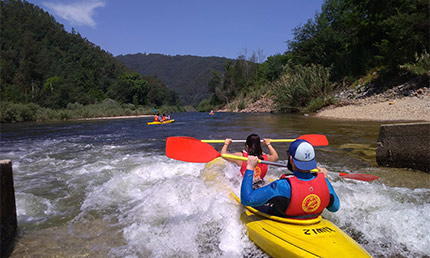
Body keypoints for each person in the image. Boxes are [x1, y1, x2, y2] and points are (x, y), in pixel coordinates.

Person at [240, 139, 339, 219]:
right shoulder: (324, 182)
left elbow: (246, 200)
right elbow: (335, 208)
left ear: (291, 159)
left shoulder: (282, 185)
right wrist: (325, 179)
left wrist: (250, 168)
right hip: (312, 219)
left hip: (284, 218)